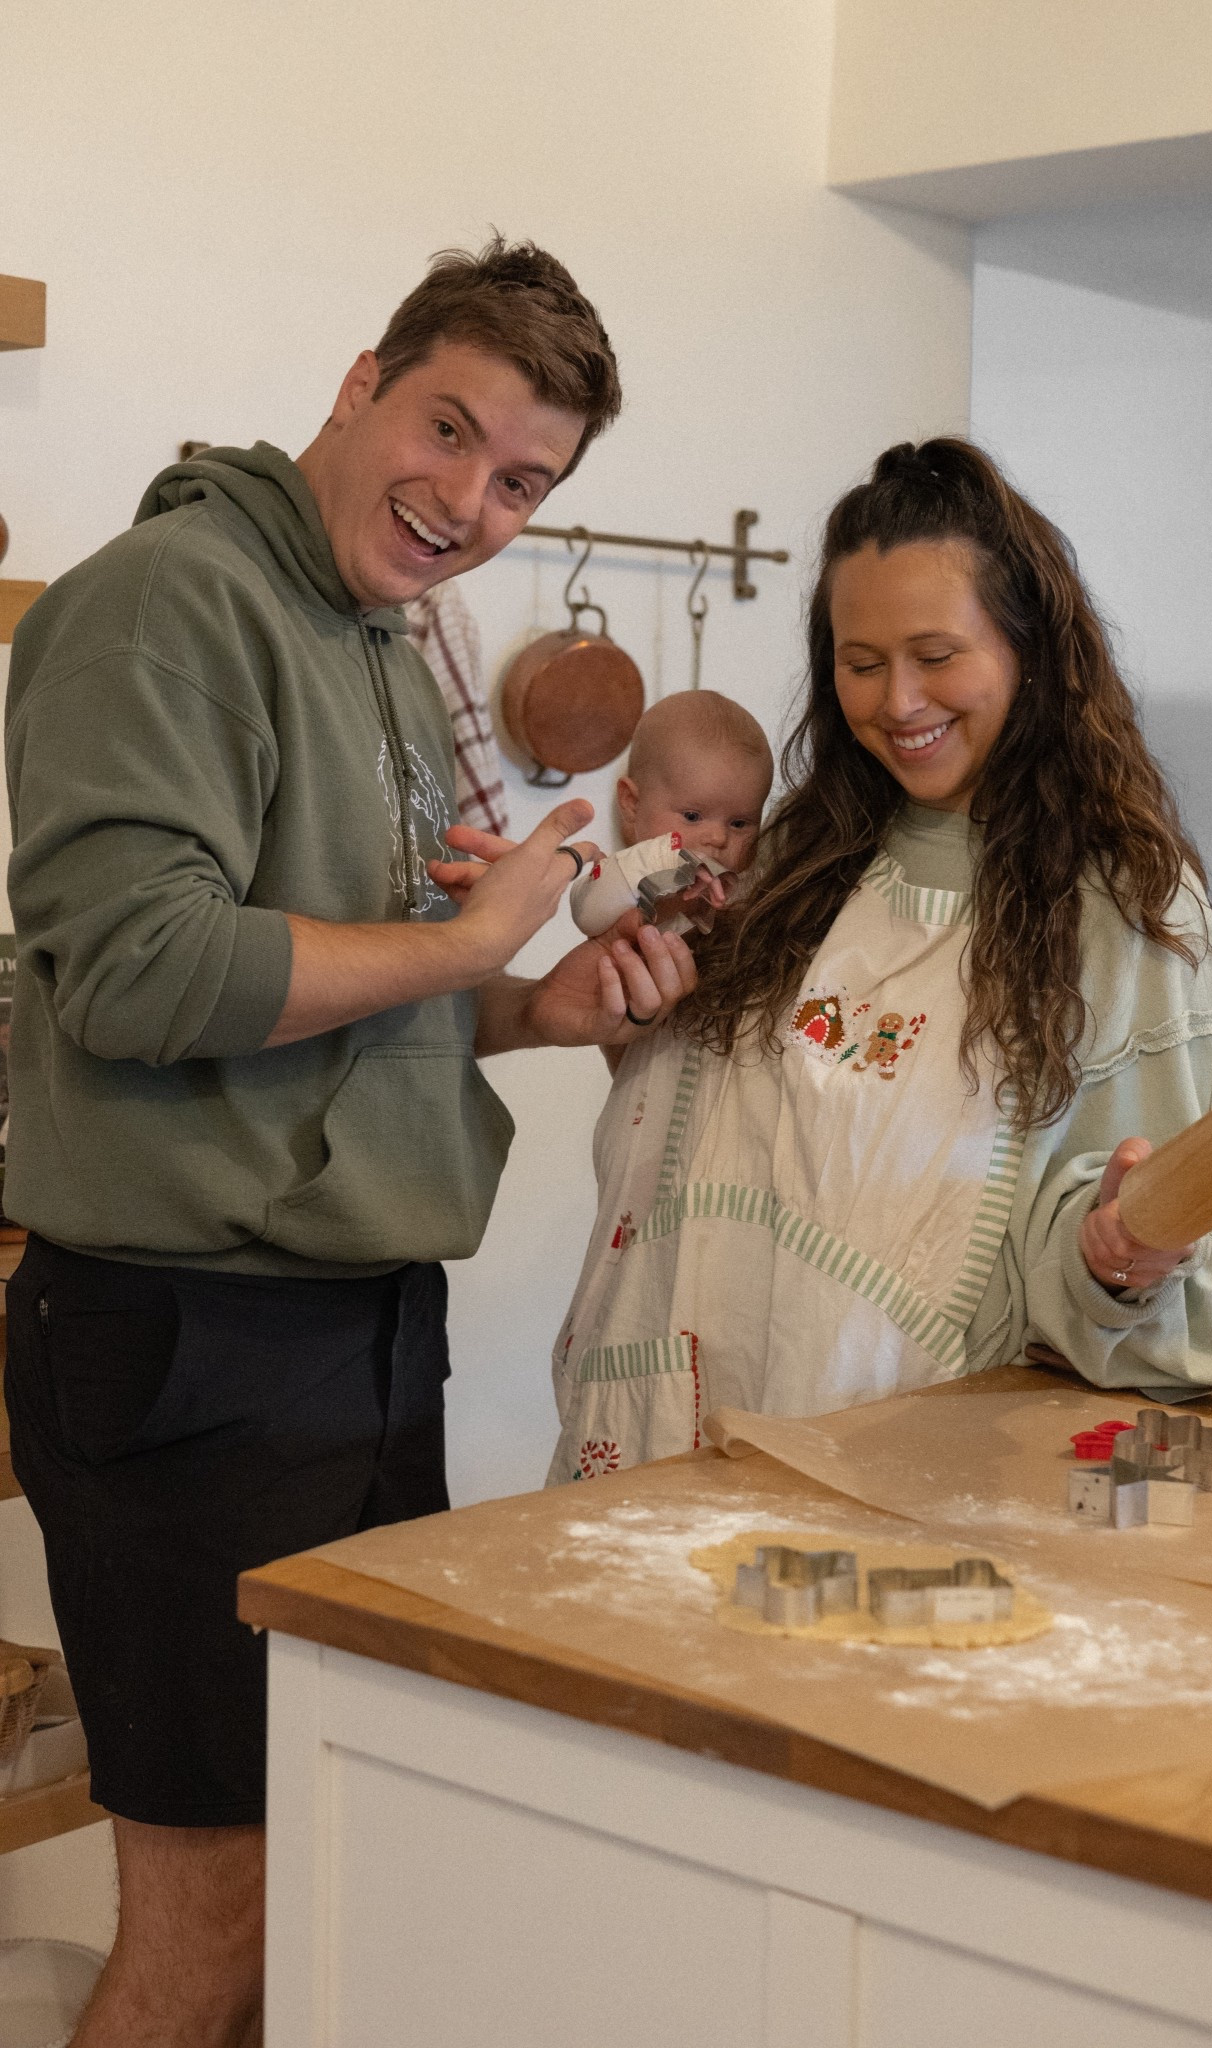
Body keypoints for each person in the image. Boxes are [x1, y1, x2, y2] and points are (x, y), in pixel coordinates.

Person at [3, 237, 694, 2048]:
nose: (466, 500)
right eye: (445, 429)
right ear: (359, 379)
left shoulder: (386, 642)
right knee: (209, 1925)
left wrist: (532, 1008)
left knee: (315, 1900)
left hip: (354, 1327)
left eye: (519, 478)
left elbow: (339, 981)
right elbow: (140, 968)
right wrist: (476, 943)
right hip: (188, 1339)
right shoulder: (171, 601)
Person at [548, 439, 1212, 1485]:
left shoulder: (1125, 912)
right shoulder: (795, 853)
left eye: (936, 655)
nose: (897, 703)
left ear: (1028, 647)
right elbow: (700, 1130)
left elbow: (1155, 1297)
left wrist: (1122, 1255)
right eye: (861, 662)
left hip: (899, 1481)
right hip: (656, 1436)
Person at [567, 690, 773, 938]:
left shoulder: (750, 891)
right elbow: (587, 914)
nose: (718, 838)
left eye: (739, 823)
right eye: (692, 816)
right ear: (632, 802)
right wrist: (668, 860)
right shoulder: (627, 877)